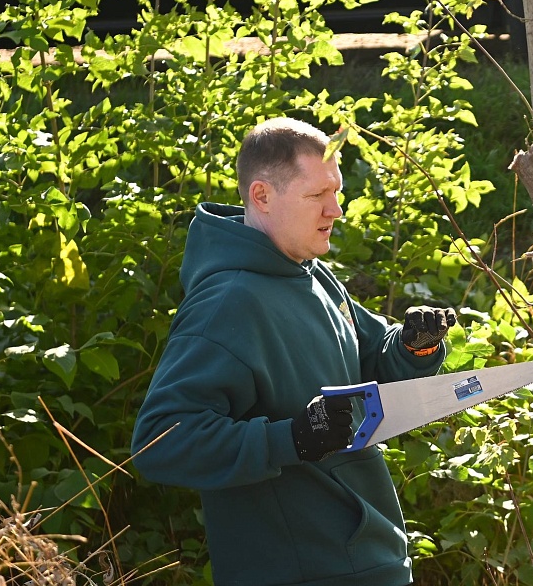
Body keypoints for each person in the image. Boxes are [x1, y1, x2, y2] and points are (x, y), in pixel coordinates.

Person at [132, 117, 456, 586]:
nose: (336, 210)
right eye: (316, 196)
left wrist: (411, 348)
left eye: (336, 192)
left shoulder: (311, 273)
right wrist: (293, 438)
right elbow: (160, 442)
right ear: (262, 195)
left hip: (371, 557)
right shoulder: (227, 304)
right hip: (297, 570)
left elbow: (373, 359)